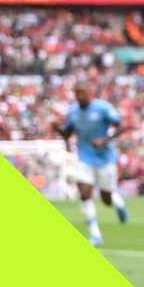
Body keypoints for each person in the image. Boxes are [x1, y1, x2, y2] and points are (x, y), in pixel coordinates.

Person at [54, 83, 127, 246]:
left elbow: (121, 126)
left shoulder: (103, 108)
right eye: (77, 93)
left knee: (105, 198)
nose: (80, 96)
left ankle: (118, 203)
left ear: (89, 93)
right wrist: (58, 129)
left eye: (82, 92)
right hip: (84, 158)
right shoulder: (72, 112)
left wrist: (105, 140)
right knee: (85, 193)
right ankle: (95, 235)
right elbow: (67, 134)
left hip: (105, 158)